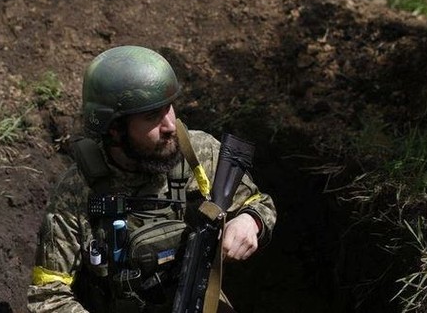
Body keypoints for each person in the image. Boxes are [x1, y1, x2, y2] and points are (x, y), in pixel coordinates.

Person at [27, 45, 277, 313]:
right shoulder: (77, 191)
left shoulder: (200, 154)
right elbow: (47, 295)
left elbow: (260, 203)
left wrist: (250, 220)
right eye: (151, 116)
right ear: (115, 129)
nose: (170, 125)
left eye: (168, 108)